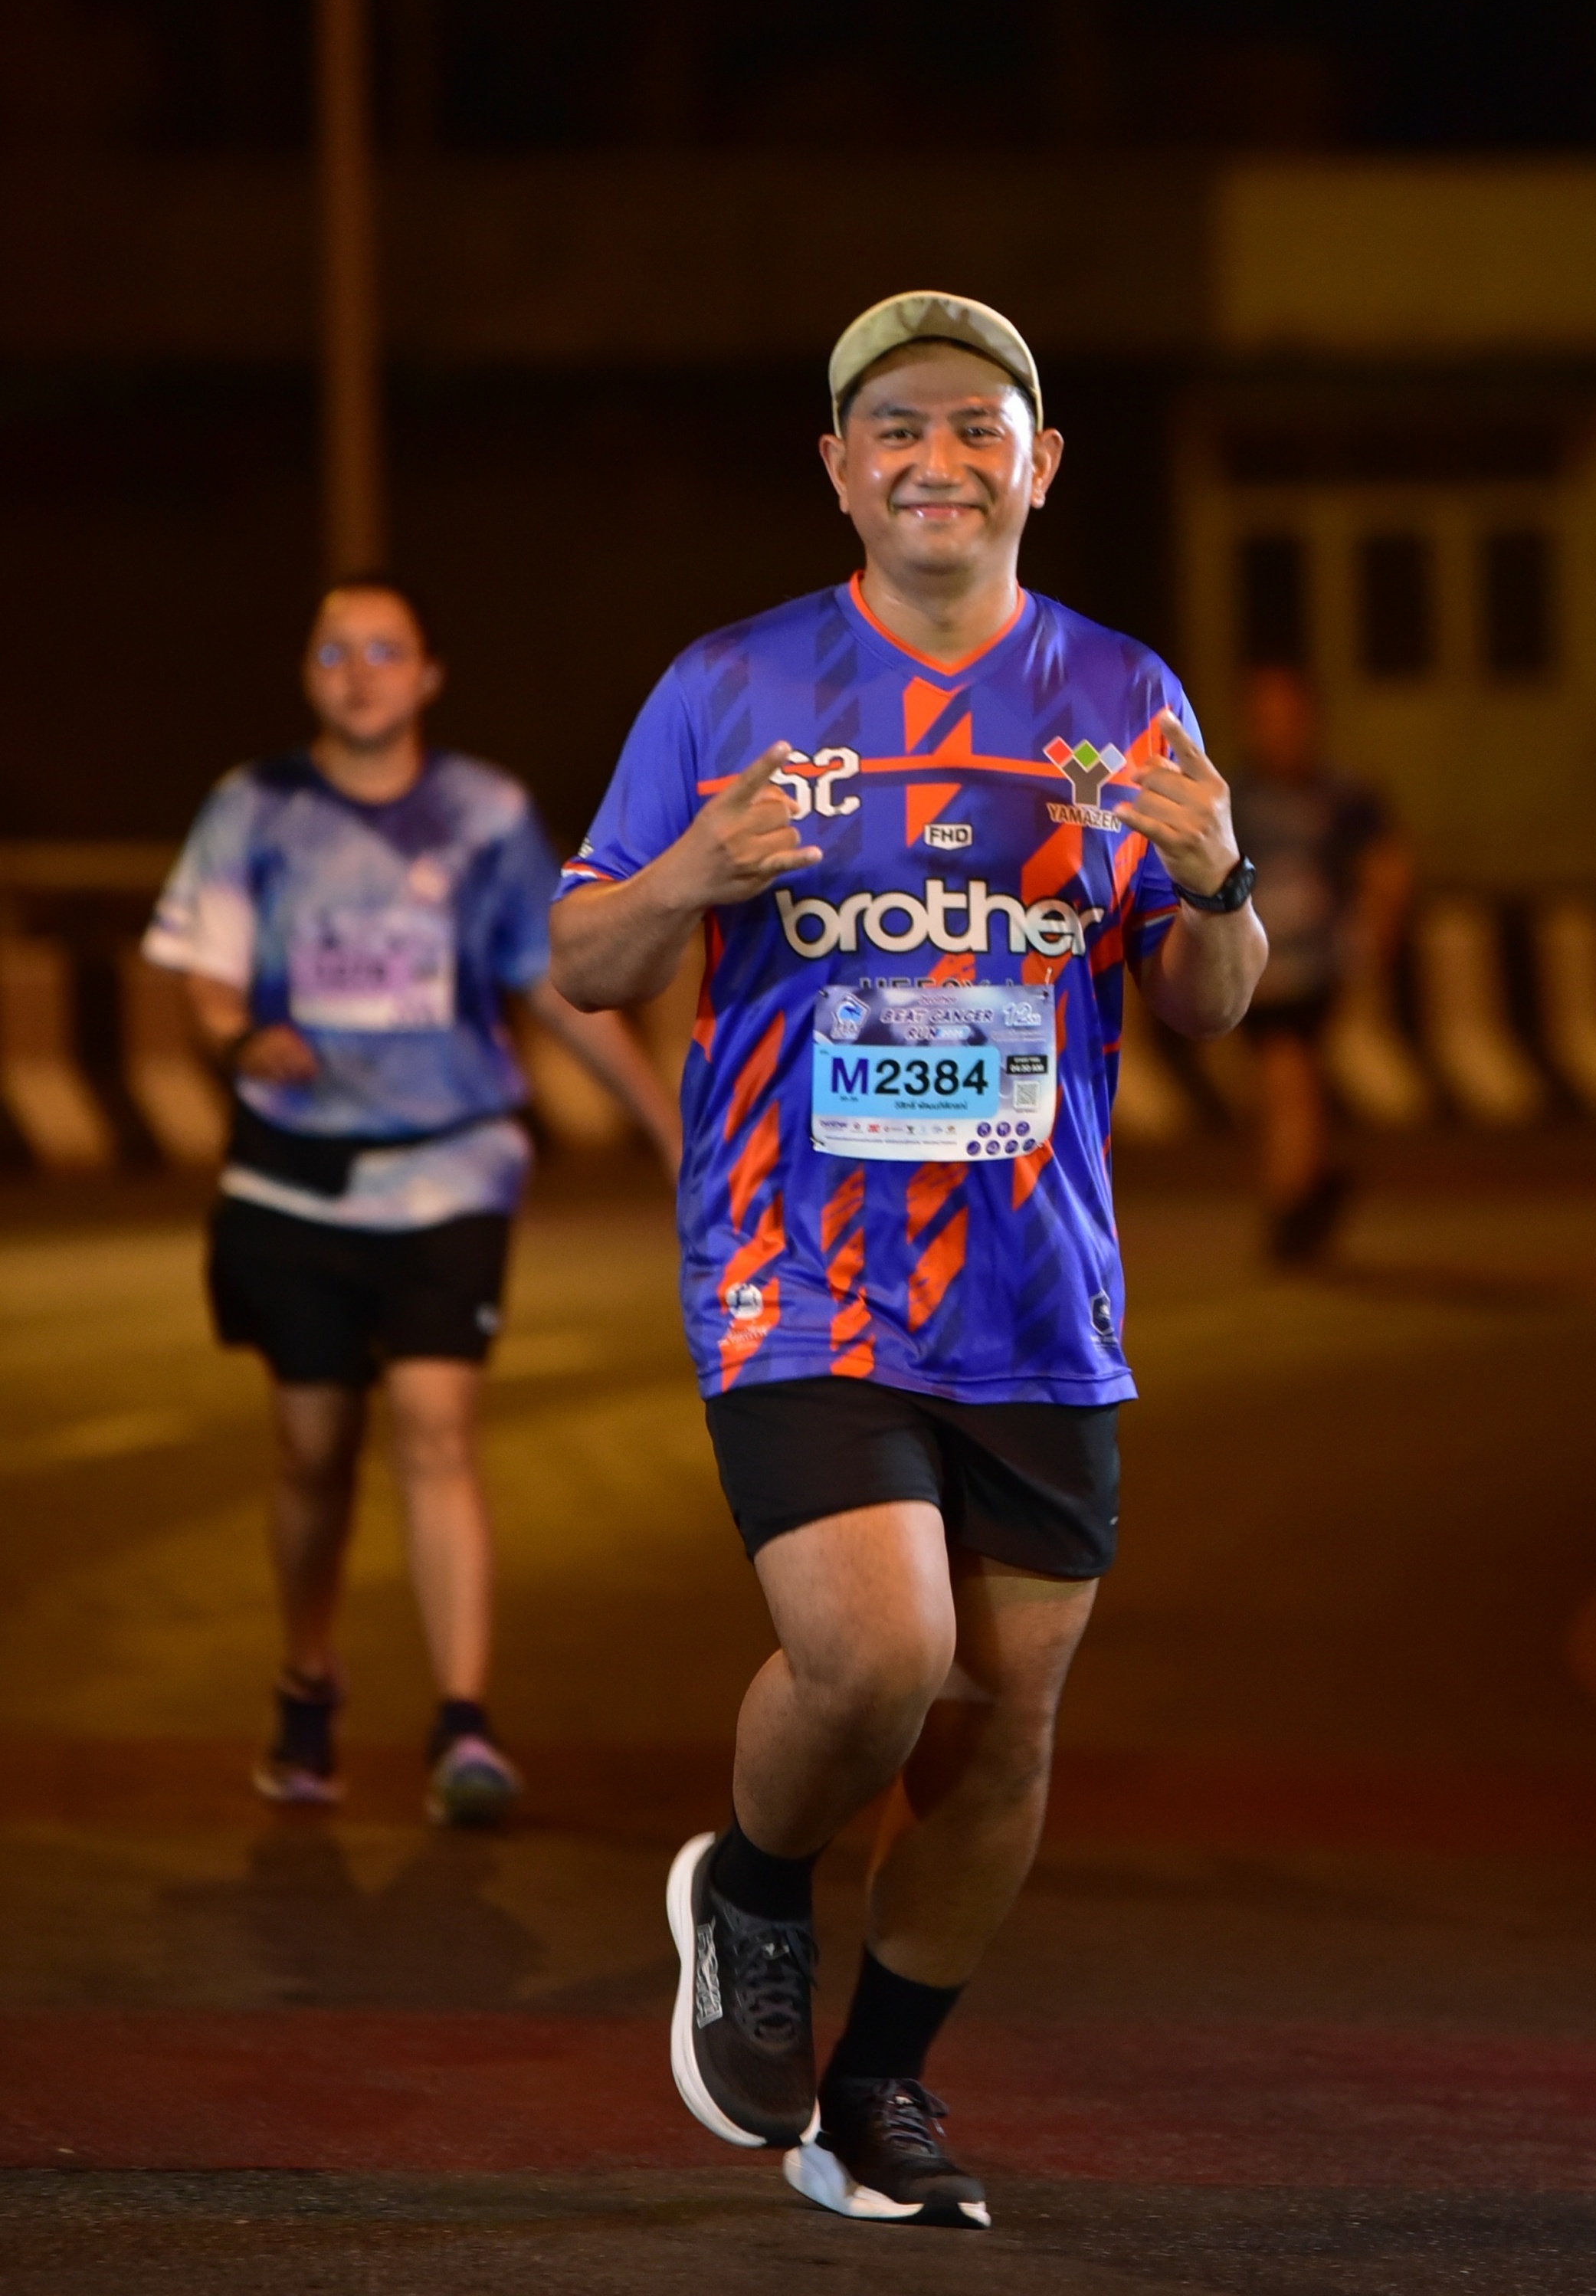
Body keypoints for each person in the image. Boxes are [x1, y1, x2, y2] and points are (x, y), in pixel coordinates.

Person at [551, 290, 1263, 2229]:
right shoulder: (729, 683)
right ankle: (753, 1886)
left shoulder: (1121, 693)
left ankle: (872, 2097)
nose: (935, 459)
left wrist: (1218, 878)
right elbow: (585, 953)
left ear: (1040, 465)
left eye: (974, 427)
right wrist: (693, 874)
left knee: (1002, 1728)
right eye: (894, 427)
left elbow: (1208, 997)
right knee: (882, 1656)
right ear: (836, 469)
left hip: (1037, 1290)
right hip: (797, 1265)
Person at [144, 576, 681, 1825]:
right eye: (336, 651)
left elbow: (550, 982)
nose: (360, 674)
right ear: (308, 672)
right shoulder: (254, 806)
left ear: (429, 675)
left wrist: (666, 1125)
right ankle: (307, 1673)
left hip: (452, 1169)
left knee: (438, 1430)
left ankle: (463, 1725)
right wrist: (239, 1041)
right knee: (313, 1453)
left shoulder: (484, 816)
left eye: (386, 651)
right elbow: (206, 977)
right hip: (293, 1177)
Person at [1230, 663, 1412, 1262]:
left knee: (1291, 1077)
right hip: (1256, 971)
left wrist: (1375, 943)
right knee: (1281, 1088)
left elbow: (1386, 867)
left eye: (1290, 718)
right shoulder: (1235, 799)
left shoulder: (1342, 795)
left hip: (1316, 968)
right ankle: (1310, 1189)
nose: (1280, 732)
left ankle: (1291, 1208)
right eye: (1266, 720)